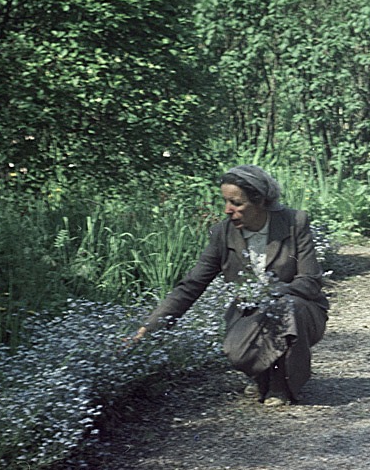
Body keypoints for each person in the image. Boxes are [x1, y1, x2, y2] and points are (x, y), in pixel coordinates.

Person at [132, 165, 328, 406]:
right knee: (236, 353)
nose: (228, 210)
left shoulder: (293, 222)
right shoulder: (223, 233)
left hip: (301, 311)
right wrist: (151, 328)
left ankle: (281, 385)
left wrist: (271, 294)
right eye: (225, 202)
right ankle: (261, 373)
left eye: (236, 203)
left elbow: (309, 281)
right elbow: (192, 285)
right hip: (249, 314)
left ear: (260, 201)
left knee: (287, 307)